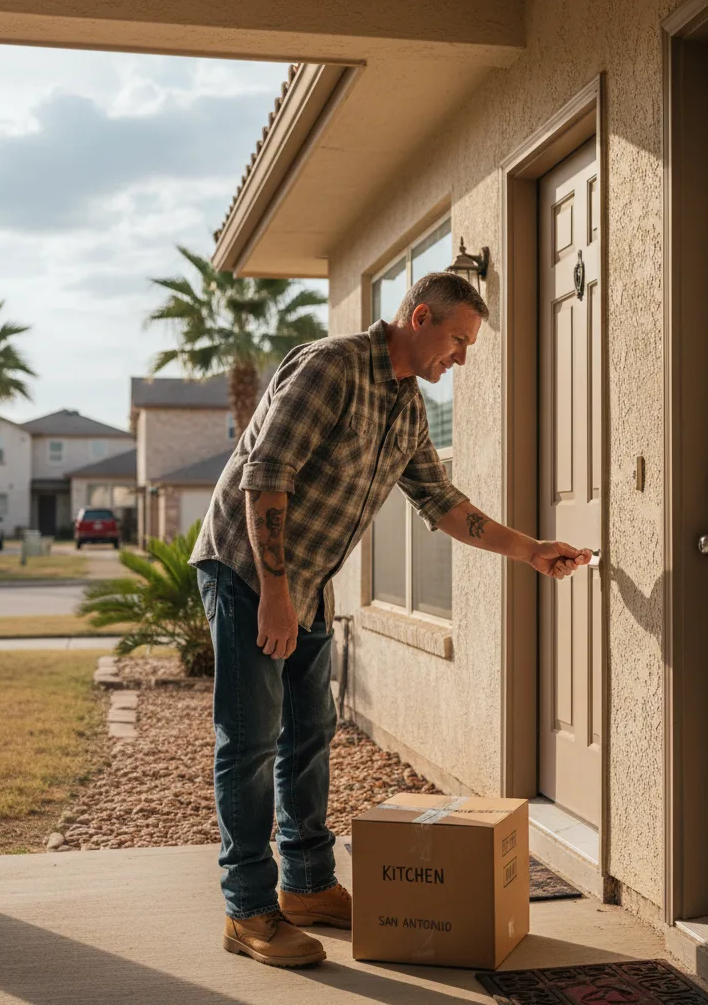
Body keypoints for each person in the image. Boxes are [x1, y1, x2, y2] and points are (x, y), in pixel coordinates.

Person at [190, 271, 592, 968]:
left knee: (309, 734)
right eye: (458, 341)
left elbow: (445, 505)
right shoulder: (331, 368)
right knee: (252, 743)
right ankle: (247, 911)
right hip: (249, 571)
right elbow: (267, 475)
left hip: (305, 580)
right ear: (420, 314)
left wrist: (531, 552)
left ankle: (307, 886)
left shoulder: (405, 409)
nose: (460, 359)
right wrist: (275, 595)